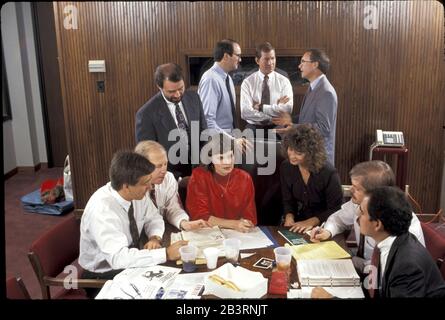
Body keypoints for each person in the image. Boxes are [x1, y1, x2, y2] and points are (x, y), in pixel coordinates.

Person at [312, 187, 445, 298]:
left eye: (362, 212)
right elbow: (373, 287)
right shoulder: (387, 241)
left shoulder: (407, 266)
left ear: (377, 224)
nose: (357, 215)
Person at [79, 151, 188, 283]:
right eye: (145, 183)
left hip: (130, 261)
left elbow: (154, 217)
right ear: (126, 186)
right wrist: (166, 254)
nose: (150, 187)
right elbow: (118, 259)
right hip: (103, 275)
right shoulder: (102, 210)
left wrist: (155, 237)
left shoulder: (137, 194)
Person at [310, 160, 424, 272]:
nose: (350, 190)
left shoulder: (396, 225)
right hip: (366, 265)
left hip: (380, 275)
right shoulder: (360, 204)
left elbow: (382, 269)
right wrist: (328, 232)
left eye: (357, 188)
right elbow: (337, 219)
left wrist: (351, 261)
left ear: (375, 195)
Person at [135, 63, 207, 179]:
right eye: (171, 91)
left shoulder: (194, 98)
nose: (178, 94)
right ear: (159, 87)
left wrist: (204, 167)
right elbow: (148, 156)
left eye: (181, 88)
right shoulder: (146, 114)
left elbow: (204, 133)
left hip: (199, 172)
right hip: (170, 178)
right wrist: (176, 180)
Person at [273, 49, 337, 165]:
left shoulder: (326, 92)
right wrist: (290, 120)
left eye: (303, 61)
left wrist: (294, 127)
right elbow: (307, 117)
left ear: (315, 64)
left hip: (318, 158)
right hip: (307, 154)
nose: (299, 66)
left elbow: (323, 128)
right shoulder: (313, 87)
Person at [186, 133, 257, 232]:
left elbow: (250, 216)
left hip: (237, 235)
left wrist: (246, 223)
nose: (227, 162)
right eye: (221, 158)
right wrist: (234, 224)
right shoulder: (199, 176)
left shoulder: (245, 178)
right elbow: (200, 216)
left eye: (230, 156)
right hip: (207, 233)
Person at [134, 140, 210, 231]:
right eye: (158, 166)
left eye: (165, 164)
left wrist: (184, 223)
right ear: (142, 166)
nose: (163, 170)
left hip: (160, 231)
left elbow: (173, 208)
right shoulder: (132, 186)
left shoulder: (168, 178)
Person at [281, 124, 343, 233]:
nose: (292, 156)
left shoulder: (328, 173)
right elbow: (288, 199)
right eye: (290, 149)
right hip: (298, 223)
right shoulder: (286, 167)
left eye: (299, 153)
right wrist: (289, 216)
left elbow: (336, 209)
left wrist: (312, 221)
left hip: (326, 225)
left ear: (310, 153)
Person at [240, 42, 293, 137]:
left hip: (277, 127)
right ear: (257, 60)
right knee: (245, 147)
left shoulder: (284, 81)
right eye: (266, 59)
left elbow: (287, 109)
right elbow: (245, 112)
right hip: (254, 127)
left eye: (272, 58)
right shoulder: (248, 82)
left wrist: (260, 107)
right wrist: (273, 113)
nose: (270, 63)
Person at [198, 39, 242, 134]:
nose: (240, 59)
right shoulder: (210, 79)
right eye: (238, 55)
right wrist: (231, 140)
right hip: (217, 143)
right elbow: (208, 121)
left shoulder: (228, 78)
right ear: (226, 56)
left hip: (229, 139)